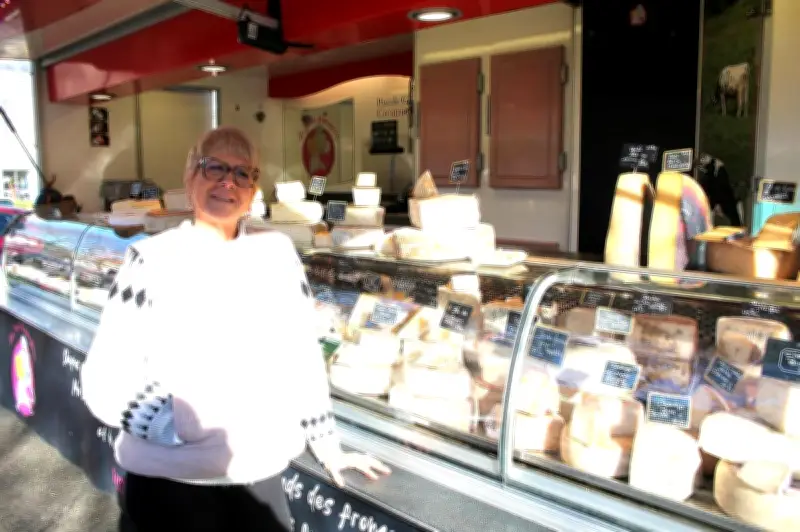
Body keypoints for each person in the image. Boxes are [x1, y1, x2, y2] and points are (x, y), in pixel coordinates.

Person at [80, 127, 390, 531]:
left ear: (253, 189)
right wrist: (177, 429)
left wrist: (328, 445)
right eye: (215, 167)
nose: (229, 182)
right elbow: (106, 378)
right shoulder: (151, 259)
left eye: (243, 173)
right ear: (190, 175)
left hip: (260, 479)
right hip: (170, 488)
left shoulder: (278, 254)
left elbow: (302, 357)